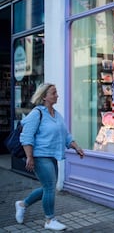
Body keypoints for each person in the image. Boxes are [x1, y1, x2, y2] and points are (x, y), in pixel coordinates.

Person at [15, 83, 84, 231]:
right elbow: (26, 136)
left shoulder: (56, 115)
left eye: (56, 92)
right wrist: (29, 157)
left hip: (53, 156)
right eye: (54, 93)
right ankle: (49, 220)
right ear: (44, 96)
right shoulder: (37, 113)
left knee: (48, 187)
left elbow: (66, 135)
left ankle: (22, 204)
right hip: (40, 156)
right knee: (50, 187)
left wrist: (76, 147)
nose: (57, 95)